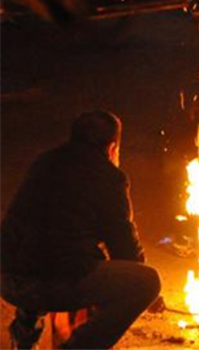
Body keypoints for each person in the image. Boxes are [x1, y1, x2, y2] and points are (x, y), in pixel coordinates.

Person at [1, 110, 161, 349]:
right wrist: (153, 298)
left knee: (41, 248)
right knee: (146, 282)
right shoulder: (110, 176)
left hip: (8, 279)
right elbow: (125, 247)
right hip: (48, 285)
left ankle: (24, 334)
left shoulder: (45, 161)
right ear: (112, 147)